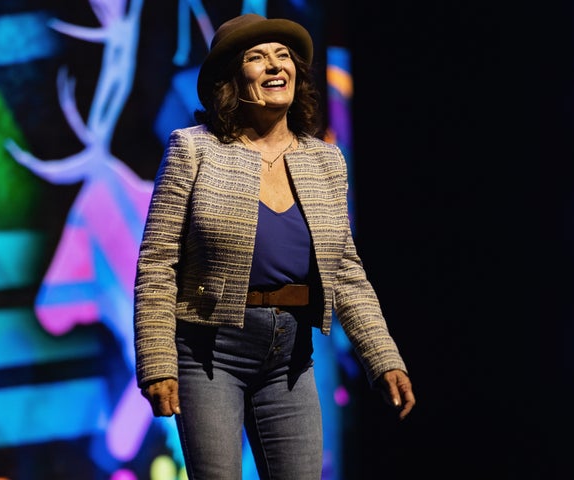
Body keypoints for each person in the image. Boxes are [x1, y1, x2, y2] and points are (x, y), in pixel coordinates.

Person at [133, 13, 416, 480]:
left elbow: (344, 270)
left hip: (291, 356)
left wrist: (383, 357)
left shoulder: (325, 160)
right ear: (231, 77)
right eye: (256, 57)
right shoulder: (194, 149)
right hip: (210, 353)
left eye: (283, 56)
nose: (274, 66)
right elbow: (157, 262)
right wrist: (157, 362)